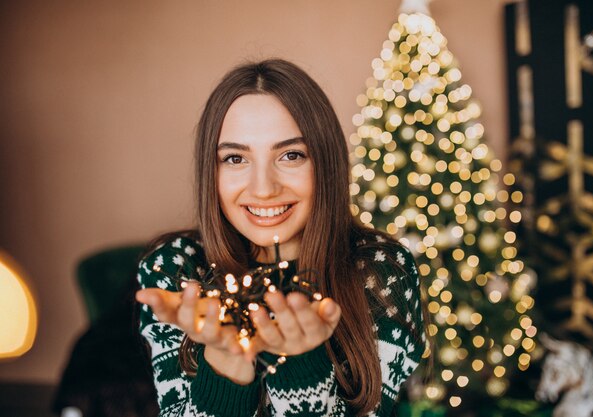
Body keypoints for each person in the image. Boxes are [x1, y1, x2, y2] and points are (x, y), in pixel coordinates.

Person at [135, 59, 426, 417]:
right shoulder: (175, 269)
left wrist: (301, 369)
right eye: (235, 158)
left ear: (326, 163)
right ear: (210, 170)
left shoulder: (381, 273)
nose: (263, 189)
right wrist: (226, 368)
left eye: (291, 155)